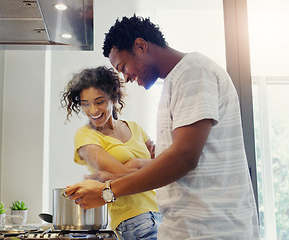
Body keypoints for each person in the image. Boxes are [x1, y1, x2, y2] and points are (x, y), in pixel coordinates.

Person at [65, 15, 260, 239]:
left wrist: (107, 191)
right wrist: (146, 164)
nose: (125, 77)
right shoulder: (175, 81)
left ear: (141, 46)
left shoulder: (192, 72)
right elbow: (182, 159)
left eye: (123, 66)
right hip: (188, 227)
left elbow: (184, 157)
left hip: (210, 229)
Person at [60, 66, 162, 240]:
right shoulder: (85, 136)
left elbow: (165, 166)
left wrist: (134, 166)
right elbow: (158, 173)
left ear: (113, 97)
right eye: (85, 104)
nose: (92, 110)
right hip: (134, 221)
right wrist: (151, 169)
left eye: (99, 102)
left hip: (162, 213)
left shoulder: (135, 127)